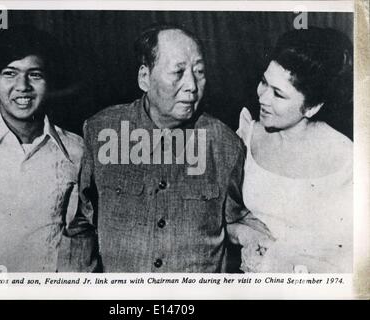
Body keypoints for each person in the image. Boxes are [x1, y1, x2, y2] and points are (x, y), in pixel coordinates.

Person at [76, 24, 271, 272]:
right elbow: (82, 225)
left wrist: (256, 238)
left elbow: (236, 218)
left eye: (199, 72)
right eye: (178, 72)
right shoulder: (101, 131)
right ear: (144, 78)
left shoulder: (224, 144)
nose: (191, 85)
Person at [0, 27, 97, 272]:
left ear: (51, 81)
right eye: (10, 73)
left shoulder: (76, 150)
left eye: (34, 74)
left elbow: (82, 236)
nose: (22, 86)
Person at [237, 27, 353, 273]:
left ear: (312, 107)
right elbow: (224, 216)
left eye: (278, 94)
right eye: (263, 82)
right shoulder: (247, 134)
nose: (263, 97)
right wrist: (247, 236)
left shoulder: (346, 160)